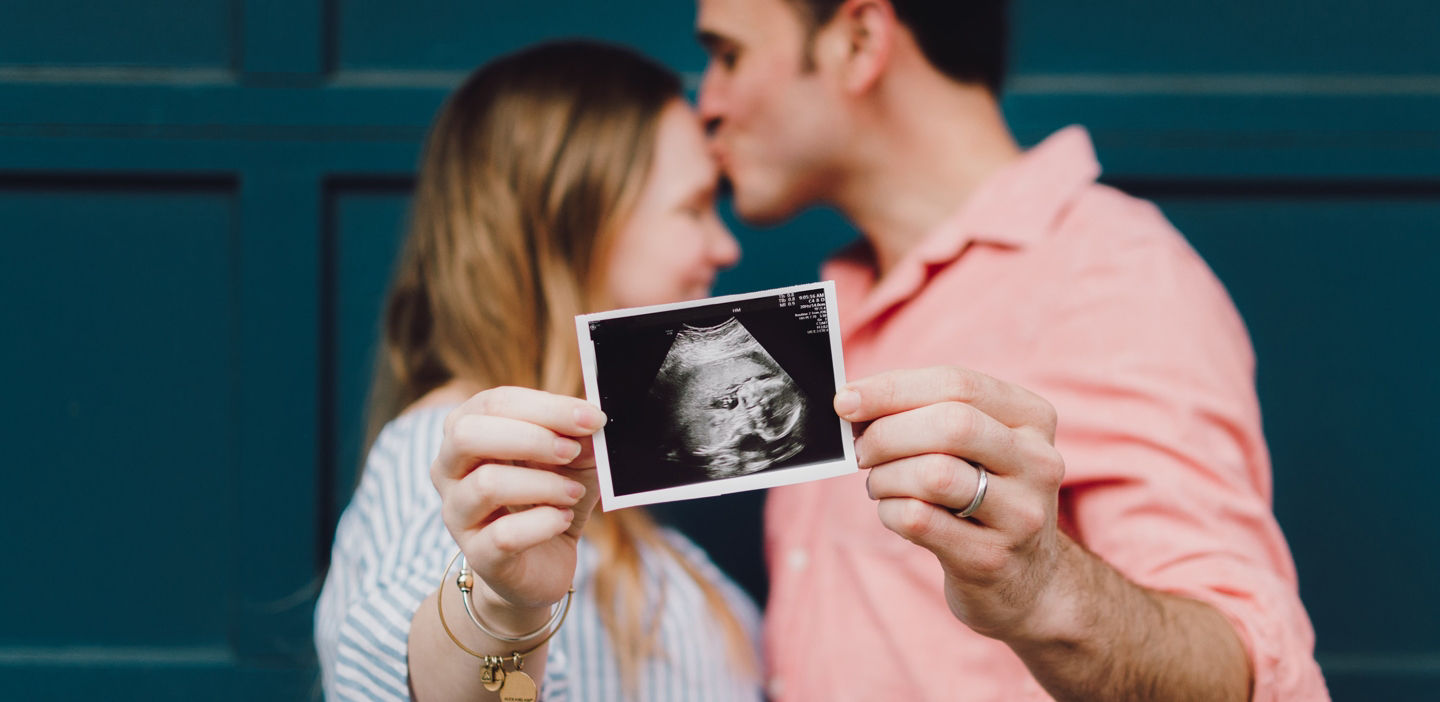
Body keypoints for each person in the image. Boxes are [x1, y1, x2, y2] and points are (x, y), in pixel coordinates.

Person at [691, 0, 1330, 700]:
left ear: (859, 40)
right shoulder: (832, 306)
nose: (708, 105)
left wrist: (1040, 588)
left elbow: (1242, 668)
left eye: (729, 55)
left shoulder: (1111, 274)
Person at [314, 40, 760, 701]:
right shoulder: (454, 463)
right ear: (572, 222)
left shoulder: (598, 489)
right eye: (693, 207)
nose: (726, 245)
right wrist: (502, 610)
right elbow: (437, 684)